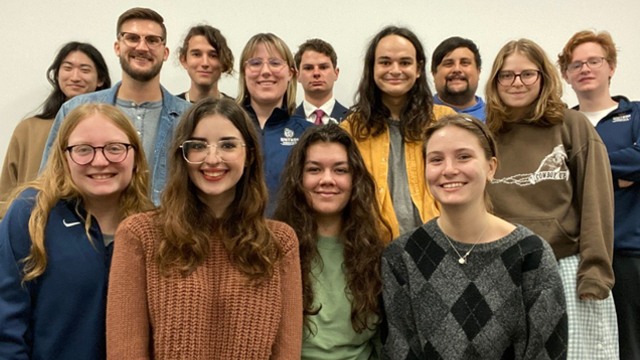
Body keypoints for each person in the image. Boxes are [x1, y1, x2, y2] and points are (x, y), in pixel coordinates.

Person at [106, 98, 303, 359]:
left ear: (250, 156)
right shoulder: (140, 235)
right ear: (182, 155)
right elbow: (126, 353)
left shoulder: (280, 242)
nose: (212, 158)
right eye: (198, 146)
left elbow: (286, 354)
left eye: (228, 145)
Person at [382, 114, 568, 359]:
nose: (449, 170)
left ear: (491, 167)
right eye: (436, 159)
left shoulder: (531, 254)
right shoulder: (402, 256)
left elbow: (547, 351)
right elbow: (399, 350)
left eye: (464, 157)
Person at [485, 38, 617, 359]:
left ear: (543, 77)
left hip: (568, 271)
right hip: (503, 275)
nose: (517, 83)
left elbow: (596, 203)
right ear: (495, 81)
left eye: (527, 74)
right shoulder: (484, 134)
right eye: (507, 75)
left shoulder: (573, 126)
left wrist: (595, 274)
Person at [0, 103, 152, 360]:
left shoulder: (152, 228)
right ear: (63, 157)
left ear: (135, 156)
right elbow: (6, 326)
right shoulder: (31, 215)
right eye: (83, 150)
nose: (100, 161)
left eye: (115, 148)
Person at [40, 7, 191, 205]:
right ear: (117, 47)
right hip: (91, 231)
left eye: (152, 40)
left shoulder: (188, 117)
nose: (142, 47)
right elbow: (50, 182)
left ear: (165, 52)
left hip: (166, 232)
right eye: (132, 38)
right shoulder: (75, 111)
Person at [274, 124, 390, 359]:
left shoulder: (375, 253)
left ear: (355, 179)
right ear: (299, 178)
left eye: (340, 170)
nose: (327, 180)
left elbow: (383, 342)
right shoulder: (274, 249)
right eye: (314, 170)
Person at [559, 30, 640, 359]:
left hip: (628, 253)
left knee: (632, 347)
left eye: (594, 61)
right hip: (578, 258)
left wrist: (585, 168)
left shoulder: (635, 114)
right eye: (576, 64)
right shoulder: (562, 123)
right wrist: (621, 175)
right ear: (566, 74)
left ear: (612, 66)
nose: (585, 69)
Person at [340, 26, 456, 240]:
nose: (395, 70)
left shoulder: (445, 122)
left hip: (441, 248)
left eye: (405, 62)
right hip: (373, 251)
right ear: (372, 67)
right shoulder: (350, 130)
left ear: (419, 68)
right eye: (385, 62)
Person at [0, 41, 110, 217]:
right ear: (57, 75)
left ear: (100, 80)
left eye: (84, 69)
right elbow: (5, 195)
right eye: (68, 68)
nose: (75, 77)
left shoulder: (113, 131)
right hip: (32, 226)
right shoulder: (28, 129)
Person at [237, 33, 313, 213]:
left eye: (275, 63)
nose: (265, 71)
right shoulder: (226, 128)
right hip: (232, 238)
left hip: (293, 238)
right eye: (255, 63)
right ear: (244, 73)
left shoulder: (309, 134)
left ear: (291, 74)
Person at [294, 39, 349, 124]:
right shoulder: (286, 121)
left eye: (323, 67)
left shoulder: (353, 121)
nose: (316, 73)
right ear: (298, 75)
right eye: (308, 68)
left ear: (336, 73)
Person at [431, 36, 486, 121]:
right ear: (434, 74)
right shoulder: (417, 116)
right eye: (448, 63)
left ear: (478, 72)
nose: (457, 69)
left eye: (465, 63)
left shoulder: (497, 120)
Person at [177, 24, 234, 103]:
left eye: (213, 56)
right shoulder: (168, 110)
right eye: (196, 54)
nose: (205, 63)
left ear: (224, 61)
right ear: (183, 60)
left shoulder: (238, 112)